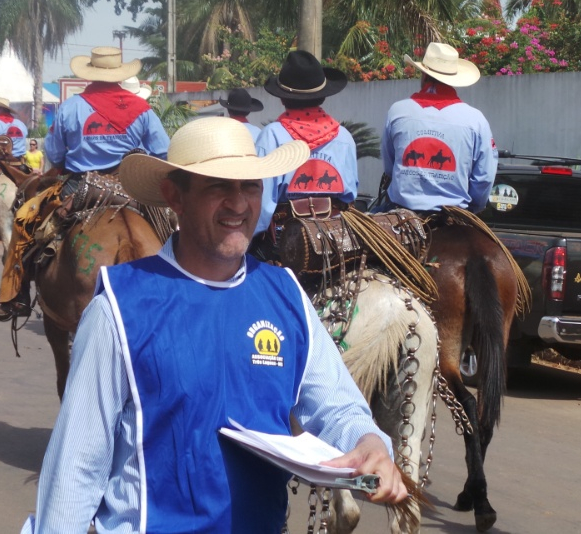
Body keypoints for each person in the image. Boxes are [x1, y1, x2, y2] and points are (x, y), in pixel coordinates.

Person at [20, 117, 407, 533]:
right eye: (219, 185)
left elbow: (338, 405)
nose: (239, 204)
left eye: (251, 186)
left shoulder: (286, 295)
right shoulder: (119, 306)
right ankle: (13, 291)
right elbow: (76, 465)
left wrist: (369, 444)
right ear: (175, 196)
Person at [0, 46, 169, 321]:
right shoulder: (142, 109)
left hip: (79, 186)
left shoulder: (71, 106)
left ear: (90, 74)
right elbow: (162, 152)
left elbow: (56, 155)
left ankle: (16, 297)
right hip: (130, 187)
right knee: (171, 228)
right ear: (119, 74)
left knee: (24, 222)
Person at [379, 42, 497, 214]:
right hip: (454, 214)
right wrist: (474, 209)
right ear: (453, 80)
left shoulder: (398, 111)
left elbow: (390, 168)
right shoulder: (476, 120)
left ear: (424, 75)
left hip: (402, 212)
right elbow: (484, 178)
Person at [253, 50, 359, 237]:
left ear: (282, 98)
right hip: (335, 236)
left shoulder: (272, 136)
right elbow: (350, 195)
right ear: (323, 96)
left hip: (285, 238)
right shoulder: (344, 137)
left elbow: (261, 204)